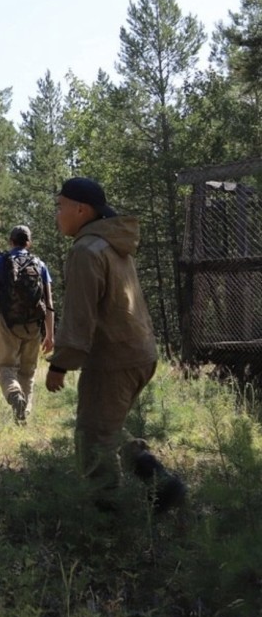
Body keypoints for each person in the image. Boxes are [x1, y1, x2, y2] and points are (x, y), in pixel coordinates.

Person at [45, 177, 185, 512]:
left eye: (60, 206)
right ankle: (162, 483)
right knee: (108, 426)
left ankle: (106, 523)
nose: (57, 213)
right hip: (139, 353)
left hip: (113, 359)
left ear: (81, 209)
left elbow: (81, 314)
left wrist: (60, 363)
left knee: (93, 439)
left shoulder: (86, 249)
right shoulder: (112, 243)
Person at [0, 225, 55, 424]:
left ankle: (14, 395)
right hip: (34, 325)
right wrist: (50, 335)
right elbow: (49, 304)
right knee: (27, 373)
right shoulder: (40, 264)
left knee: (5, 367)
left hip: (7, 323)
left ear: (10, 241)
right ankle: (22, 417)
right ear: (29, 242)